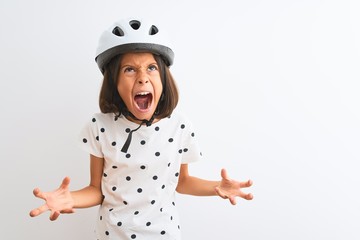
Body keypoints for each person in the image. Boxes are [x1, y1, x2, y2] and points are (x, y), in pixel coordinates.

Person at [29, 17, 253, 240]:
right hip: (111, 235)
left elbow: (182, 182)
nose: (143, 78)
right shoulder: (99, 126)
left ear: (163, 78)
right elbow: (96, 189)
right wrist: (71, 199)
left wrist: (218, 186)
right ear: (114, 82)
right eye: (129, 70)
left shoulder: (179, 126)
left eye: (151, 68)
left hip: (164, 234)